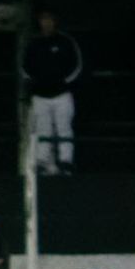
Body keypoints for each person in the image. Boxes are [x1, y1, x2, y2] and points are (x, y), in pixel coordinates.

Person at [22, 11, 82, 176]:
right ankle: (42, 163)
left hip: (62, 95)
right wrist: (35, 83)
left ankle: (66, 162)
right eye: (43, 20)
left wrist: (63, 83)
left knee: (64, 128)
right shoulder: (33, 43)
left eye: (49, 20)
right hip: (40, 96)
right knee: (43, 130)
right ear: (40, 22)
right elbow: (25, 68)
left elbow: (76, 66)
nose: (46, 23)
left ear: (55, 22)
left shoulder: (65, 42)